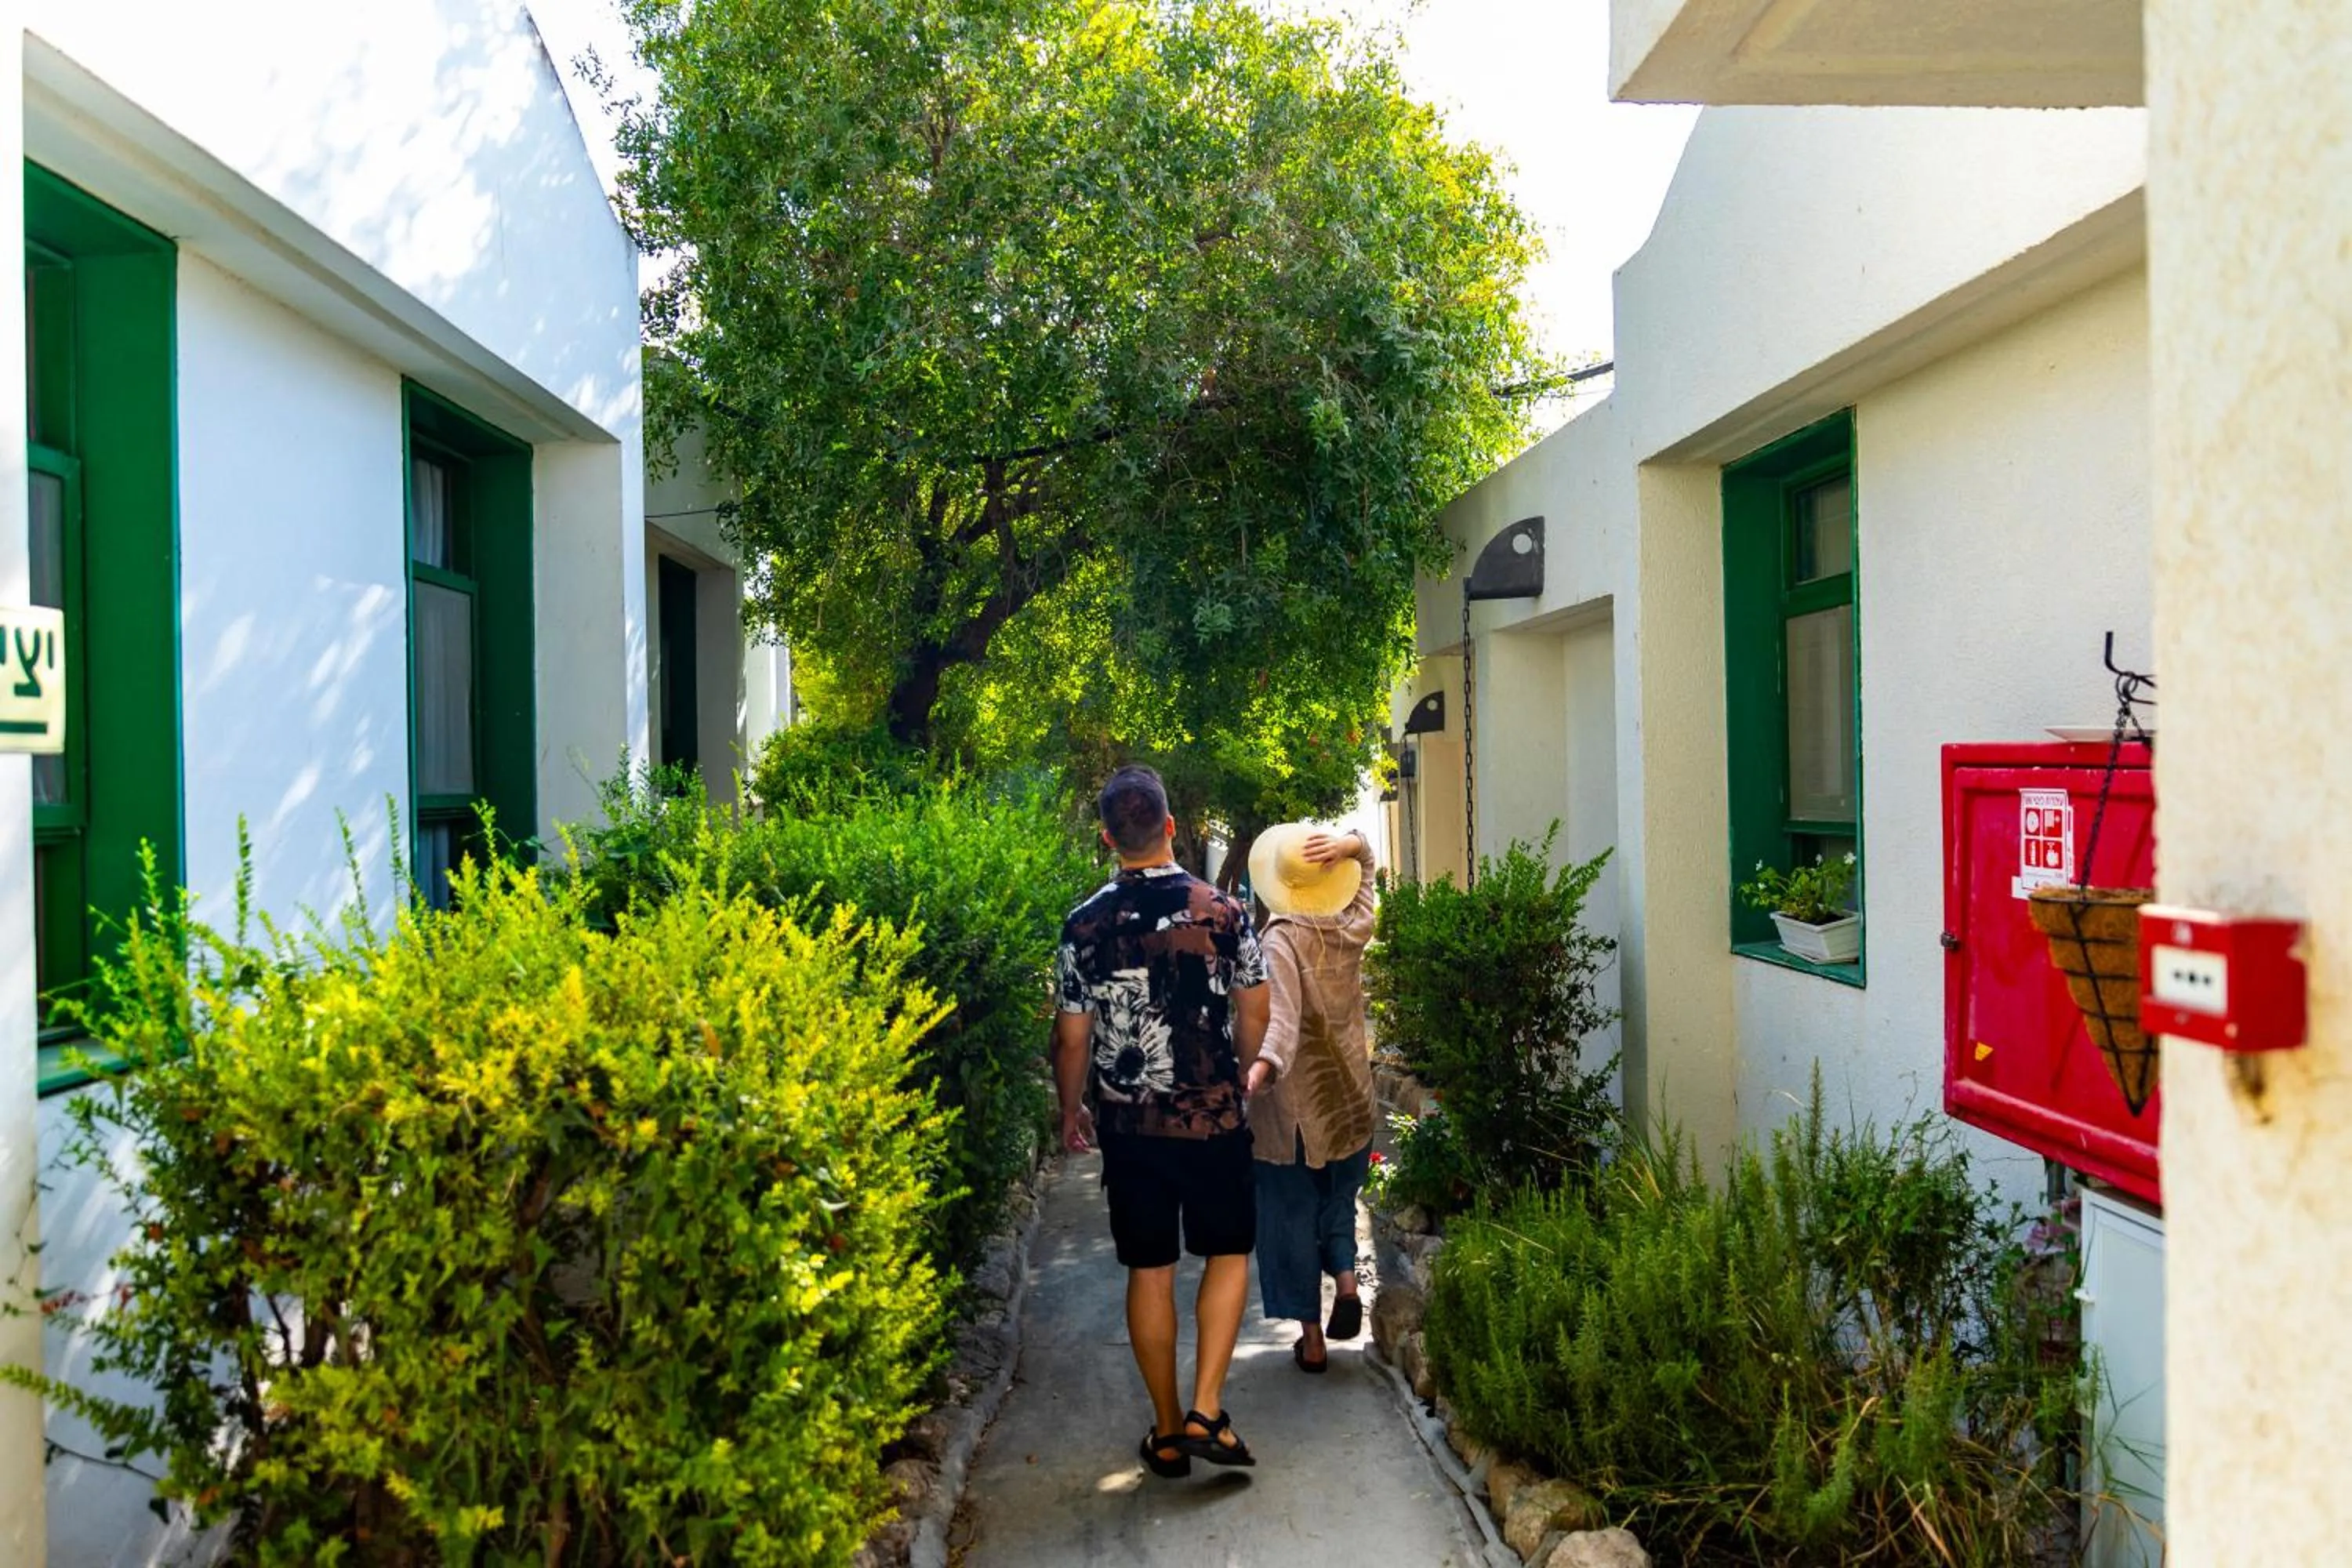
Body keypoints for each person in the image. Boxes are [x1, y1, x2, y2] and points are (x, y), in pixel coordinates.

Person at [1053, 765, 1271, 1479]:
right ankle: (1210, 1407)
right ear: (1171, 827)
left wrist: (1071, 1108)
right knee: (1228, 1252)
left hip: (1130, 1126)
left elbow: (1073, 1037)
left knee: (1149, 1270)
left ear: (1109, 837)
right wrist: (1242, 1072)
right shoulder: (1225, 912)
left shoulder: (1083, 924)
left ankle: (1171, 1430)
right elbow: (1256, 1009)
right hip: (1212, 1118)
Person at [1242, 822, 1378, 1374]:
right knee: (1338, 1200)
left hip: (1294, 1112)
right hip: (1350, 1099)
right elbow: (1368, 873)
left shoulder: (1279, 939)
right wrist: (1353, 847)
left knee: (1291, 1215)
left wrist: (1260, 1068)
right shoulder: (1350, 923)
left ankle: (1314, 1339)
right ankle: (1346, 1281)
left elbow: (1283, 1023)